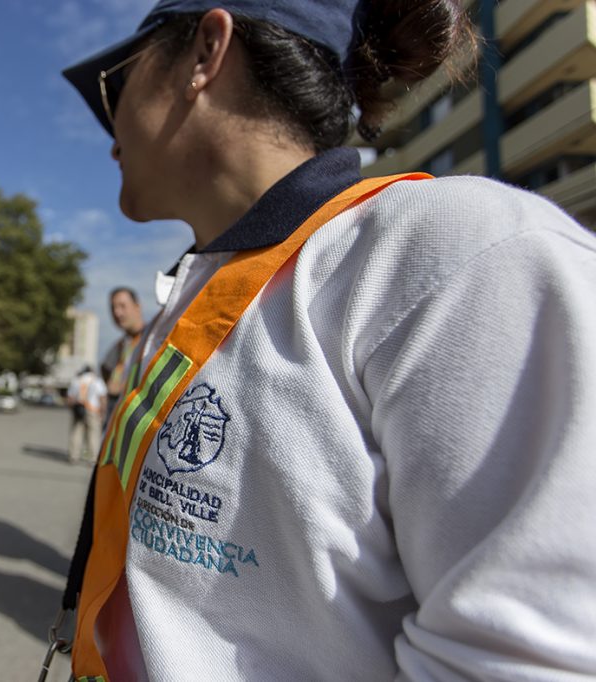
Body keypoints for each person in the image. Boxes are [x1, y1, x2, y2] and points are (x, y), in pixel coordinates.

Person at [55, 1, 596, 680]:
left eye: (115, 88)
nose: (107, 132)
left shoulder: (453, 253)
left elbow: (531, 660)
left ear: (204, 53)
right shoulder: (194, 292)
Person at [100, 287, 145, 422]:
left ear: (137, 306)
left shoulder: (154, 341)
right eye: (113, 308)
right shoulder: (118, 347)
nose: (117, 312)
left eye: (122, 306)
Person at [66, 366, 107, 464]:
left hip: (78, 409)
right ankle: (93, 458)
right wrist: (103, 412)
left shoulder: (76, 381)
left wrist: (73, 409)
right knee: (93, 434)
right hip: (93, 410)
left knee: (76, 433)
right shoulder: (97, 381)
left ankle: (73, 456)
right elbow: (102, 398)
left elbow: (70, 399)